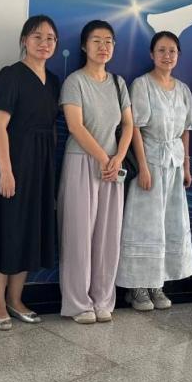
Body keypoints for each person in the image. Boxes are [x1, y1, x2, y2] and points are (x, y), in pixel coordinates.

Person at [0, 15, 61, 330]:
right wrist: (6, 171)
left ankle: (16, 298)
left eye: (50, 38)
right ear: (24, 40)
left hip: (42, 165)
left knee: (29, 231)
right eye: (37, 36)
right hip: (13, 162)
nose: (44, 43)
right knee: (5, 230)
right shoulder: (11, 75)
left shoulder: (54, 81)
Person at [58, 20, 133, 323]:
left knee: (108, 236)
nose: (103, 47)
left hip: (113, 166)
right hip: (82, 162)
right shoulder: (74, 81)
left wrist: (118, 158)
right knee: (79, 235)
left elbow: (128, 124)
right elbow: (75, 126)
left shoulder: (118, 83)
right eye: (96, 41)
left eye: (108, 41)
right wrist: (104, 158)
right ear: (84, 46)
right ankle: (78, 303)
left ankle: (102, 299)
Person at [118, 31, 192, 311]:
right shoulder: (141, 85)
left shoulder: (183, 89)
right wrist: (142, 166)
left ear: (178, 55)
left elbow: (186, 131)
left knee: (167, 223)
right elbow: (135, 128)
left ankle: (157, 284)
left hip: (173, 164)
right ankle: (137, 287)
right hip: (150, 161)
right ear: (152, 54)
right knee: (144, 224)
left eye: (172, 51)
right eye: (161, 50)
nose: (167, 56)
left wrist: (186, 166)